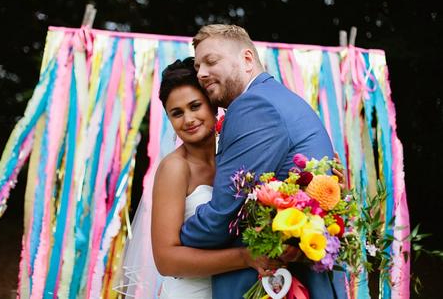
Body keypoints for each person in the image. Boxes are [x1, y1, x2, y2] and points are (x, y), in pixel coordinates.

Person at [179, 24, 348, 299]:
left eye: (211, 61)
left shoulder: (254, 106)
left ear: (247, 59)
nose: (201, 73)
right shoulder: (283, 99)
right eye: (198, 66)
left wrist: (174, 245)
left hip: (273, 285)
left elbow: (223, 216)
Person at [117, 57, 277, 298]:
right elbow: (167, 261)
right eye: (176, 113)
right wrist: (245, 257)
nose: (188, 120)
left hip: (237, 289)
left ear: (212, 104)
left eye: (195, 106)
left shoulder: (234, 155)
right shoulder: (175, 168)